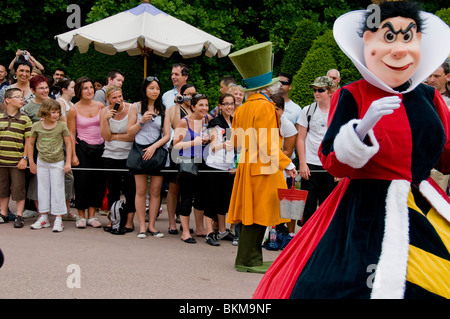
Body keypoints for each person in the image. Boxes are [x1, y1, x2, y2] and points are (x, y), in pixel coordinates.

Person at [254, 1, 450, 299]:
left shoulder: (430, 96)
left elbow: (446, 157)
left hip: (422, 202)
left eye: (407, 38)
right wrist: (358, 133)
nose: (399, 49)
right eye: (388, 37)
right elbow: (332, 161)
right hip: (362, 209)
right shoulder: (352, 93)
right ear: (368, 43)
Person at [226, 42, 297, 273]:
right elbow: (268, 144)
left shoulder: (243, 108)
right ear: (268, 87)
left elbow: (236, 141)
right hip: (264, 167)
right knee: (257, 215)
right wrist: (288, 163)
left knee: (251, 213)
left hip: (247, 165)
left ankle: (247, 257)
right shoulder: (266, 107)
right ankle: (248, 260)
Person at [127, 76, 170, 239]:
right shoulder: (135, 107)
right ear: (145, 89)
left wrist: (154, 147)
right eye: (151, 88)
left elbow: (167, 135)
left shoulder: (163, 109)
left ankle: (152, 226)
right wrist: (141, 121)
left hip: (156, 151)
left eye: (157, 88)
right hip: (139, 151)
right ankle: (142, 227)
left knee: (155, 191)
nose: (155, 91)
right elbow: (129, 131)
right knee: (140, 191)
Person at [296, 76, 338, 225]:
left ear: (331, 92)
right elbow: (300, 138)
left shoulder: (339, 111)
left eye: (321, 90)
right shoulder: (308, 110)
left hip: (331, 165)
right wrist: (302, 163)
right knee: (308, 208)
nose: (316, 93)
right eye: (314, 90)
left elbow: (343, 140)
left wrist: (340, 169)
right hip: (311, 164)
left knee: (328, 208)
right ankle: (306, 244)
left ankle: (323, 244)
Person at [172, 93, 212, 243]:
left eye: (206, 105)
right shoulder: (184, 122)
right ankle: (186, 232)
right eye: (201, 105)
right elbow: (176, 145)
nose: (204, 108)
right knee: (187, 196)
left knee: (201, 196)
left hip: (203, 161)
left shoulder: (208, 119)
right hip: (187, 161)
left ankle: (200, 228)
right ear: (193, 106)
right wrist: (194, 142)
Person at [67, 76, 106, 229]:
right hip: (82, 148)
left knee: (98, 182)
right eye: (85, 88)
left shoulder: (101, 106)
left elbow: (105, 126)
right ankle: (81, 216)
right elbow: (71, 133)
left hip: (100, 148)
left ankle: (92, 216)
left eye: (91, 87)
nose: (89, 91)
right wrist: (73, 155)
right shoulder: (73, 109)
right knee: (82, 182)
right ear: (79, 91)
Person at [28, 99, 71, 232]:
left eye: (57, 112)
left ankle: (58, 218)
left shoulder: (62, 126)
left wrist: (68, 162)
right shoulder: (36, 126)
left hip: (57, 161)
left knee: (58, 188)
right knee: (43, 188)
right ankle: (44, 216)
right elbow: (30, 143)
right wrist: (31, 162)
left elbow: (68, 144)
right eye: (53, 112)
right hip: (42, 161)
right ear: (45, 112)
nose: (56, 115)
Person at [100, 85, 137, 235]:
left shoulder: (131, 108)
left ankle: (129, 221)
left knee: (130, 189)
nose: (118, 100)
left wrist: (115, 136)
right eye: (114, 97)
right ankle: (112, 219)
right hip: (110, 154)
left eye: (120, 96)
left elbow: (131, 135)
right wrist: (105, 120)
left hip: (128, 155)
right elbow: (105, 136)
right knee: (113, 190)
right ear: (108, 99)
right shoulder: (104, 111)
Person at [204, 93, 236, 246]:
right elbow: (212, 146)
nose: (230, 106)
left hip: (229, 167)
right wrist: (223, 145)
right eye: (226, 103)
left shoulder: (235, 122)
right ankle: (210, 232)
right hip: (214, 166)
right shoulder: (215, 123)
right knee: (212, 199)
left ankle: (222, 231)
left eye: (232, 103)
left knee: (224, 200)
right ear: (220, 106)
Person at [165, 83, 196, 234]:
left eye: (193, 94)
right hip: (177, 148)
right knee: (174, 187)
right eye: (188, 94)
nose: (191, 97)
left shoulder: (195, 110)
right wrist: (177, 104)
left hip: (192, 149)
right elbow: (175, 123)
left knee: (187, 188)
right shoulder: (174, 109)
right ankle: (171, 222)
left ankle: (183, 220)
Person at [0, 88, 32, 228]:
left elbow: (29, 141)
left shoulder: (25, 118)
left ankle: (19, 215)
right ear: (7, 100)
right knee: (2, 188)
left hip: (17, 161)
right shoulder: (0, 117)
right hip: (1, 161)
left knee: (18, 188)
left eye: (22, 97)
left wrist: (24, 158)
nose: (21, 99)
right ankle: (3, 213)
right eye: (17, 97)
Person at [22, 75, 51, 218]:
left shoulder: (54, 103)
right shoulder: (27, 108)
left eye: (46, 87)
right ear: (33, 90)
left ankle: (48, 208)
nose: (45, 90)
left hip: (52, 147)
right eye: (41, 88)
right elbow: (25, 131)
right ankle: (32, 207)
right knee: (33, 178)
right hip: (35, 148)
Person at [271, 94, 298, 236]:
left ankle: (289, 234)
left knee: (286, 200)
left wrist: (275, 159)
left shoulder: (288, 126)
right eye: (271, 108)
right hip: (266, 165)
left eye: (277, 108)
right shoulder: (263, 122)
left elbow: (288, 150)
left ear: (283, 110)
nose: (274, 111)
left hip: (282, 166)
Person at [428, 61, 450, 193]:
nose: (431, 80)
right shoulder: (423, 97)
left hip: (443, 160)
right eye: (429, 76)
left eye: (436, 76)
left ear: (448, 76)